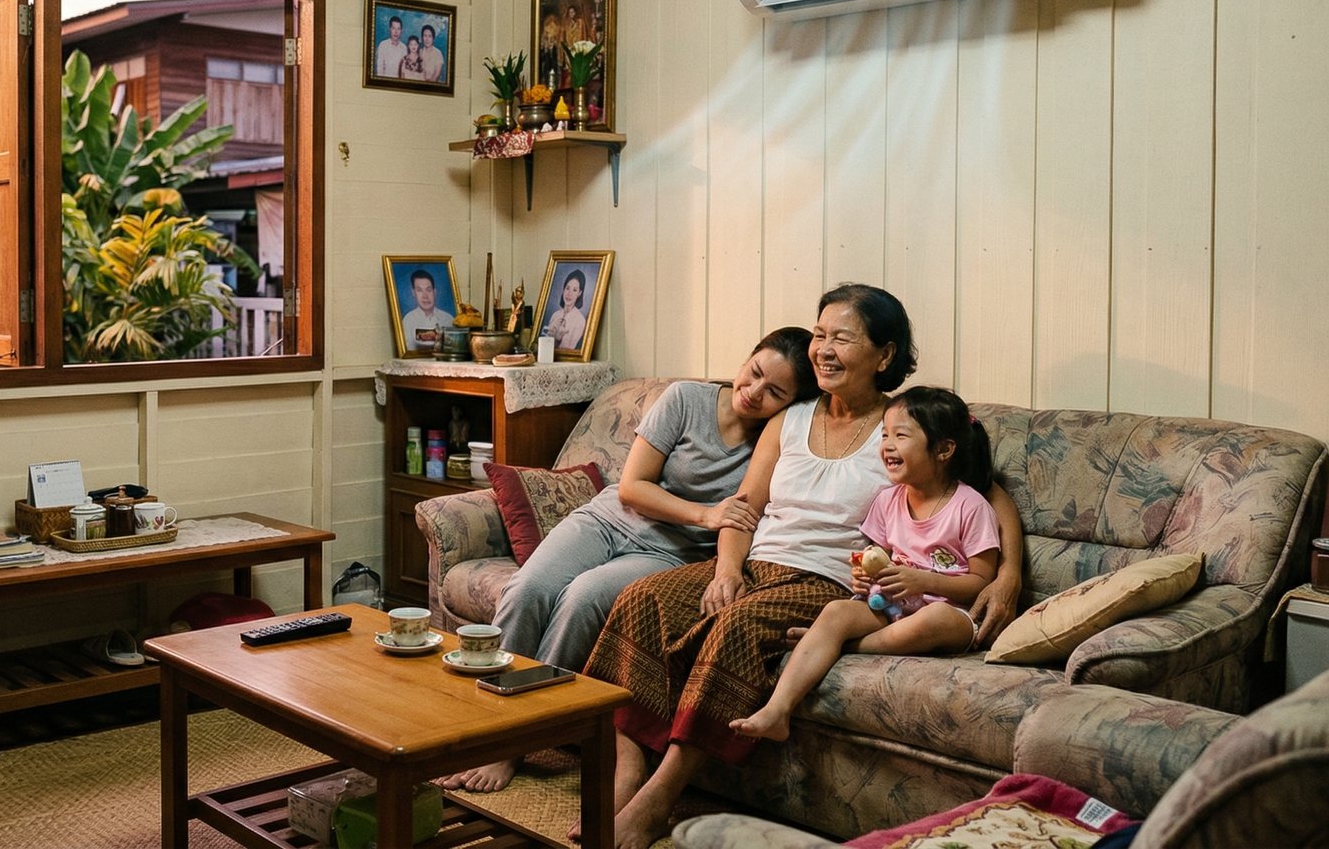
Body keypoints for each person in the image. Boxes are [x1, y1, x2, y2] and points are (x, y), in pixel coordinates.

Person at [579, 283, 1025, 849]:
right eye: (819, 334)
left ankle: (659, 798)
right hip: (760, 560)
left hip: (830, 579)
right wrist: (727, 571)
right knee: (640, 598)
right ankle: (626, 771)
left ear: (885, 356)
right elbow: (744, 510)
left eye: (843, 337)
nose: (824, 348)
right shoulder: (789, 419)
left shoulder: (905, 423)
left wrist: (1007, 573)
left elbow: (987, 491)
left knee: (735, 629)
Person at [439, 328, 822, 793]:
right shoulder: (686, 399)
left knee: (581, 601)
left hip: (670, 552)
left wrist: (717, 546)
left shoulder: (773, 442)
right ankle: (484, 723)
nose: (755, 392)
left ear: (792, 403)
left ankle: (517, 740)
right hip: (607, 519)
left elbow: (744, 516)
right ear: (746, 360)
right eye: (755, 372)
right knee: (528, 589)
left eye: (775, 392)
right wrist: (706, 513)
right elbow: (632, 487)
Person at [730, 385, 1000, 742]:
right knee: (836, 613)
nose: (886, 445)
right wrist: (863, 577)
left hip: (950, 614)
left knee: (932, 619)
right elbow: (874, 556)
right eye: (884, 434)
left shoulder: (970, 506)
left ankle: (852, 646)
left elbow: (982, 580)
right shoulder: (888, 501)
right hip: (891, 607)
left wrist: (924, 581)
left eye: (900, 436)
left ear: (944, 449)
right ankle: (777, 710)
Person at [400, 270, 452, 352]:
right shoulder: (408, 321)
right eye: (419, 290)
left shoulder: (448, 319)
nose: (425, 296)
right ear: (414, 293)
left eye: (428, 290)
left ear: (434, 292)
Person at [545, 270, 588, 350]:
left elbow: (569, 349)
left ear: (579, 293)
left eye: (574, 290)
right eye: (567, 288)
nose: (569, 293)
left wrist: (558, 340)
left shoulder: (580, 320)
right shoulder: (555, 315)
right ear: (563, 289)